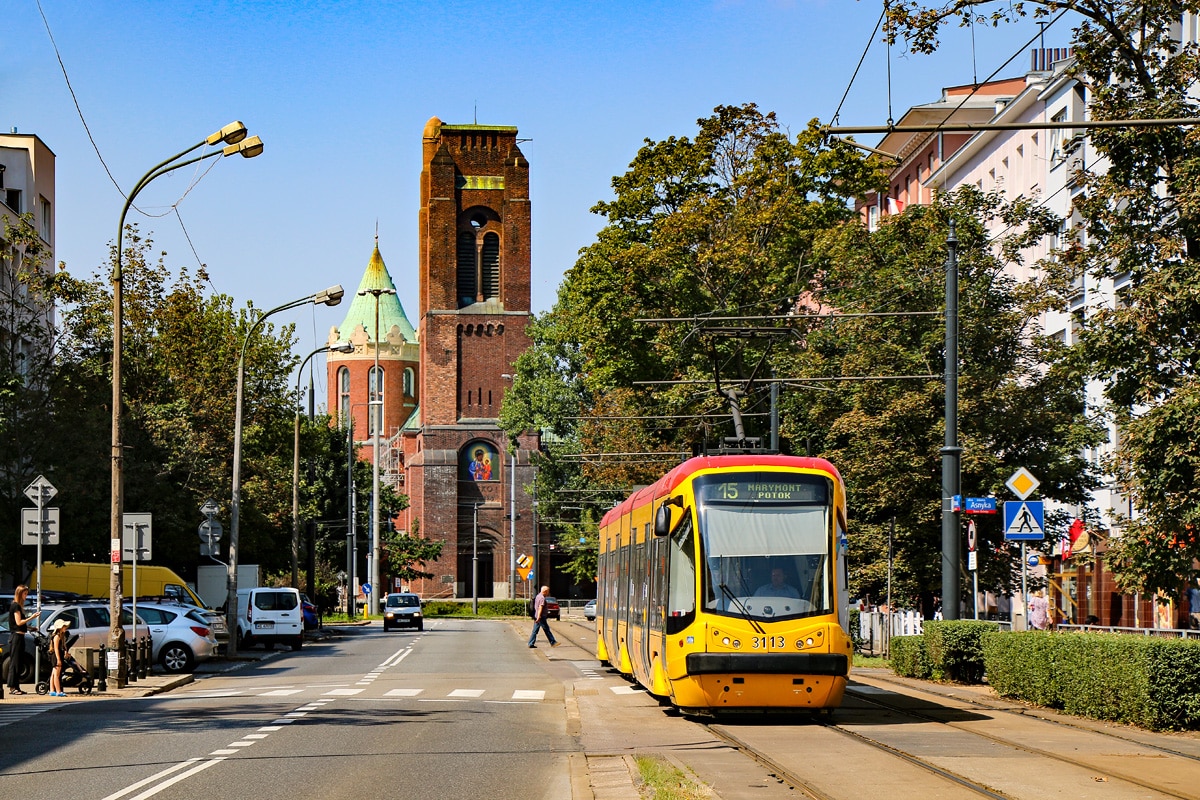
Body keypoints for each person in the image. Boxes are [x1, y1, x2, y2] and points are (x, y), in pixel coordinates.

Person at [6, 585, 41, 696]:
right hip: (16, 637)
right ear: (20, 594)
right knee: (15, 663)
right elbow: (18, 622)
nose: (26, 596)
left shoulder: (19, 606)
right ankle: (12, 687)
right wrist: (32, 617)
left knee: (19, 662)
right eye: (25, 594)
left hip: (20, 636)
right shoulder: (15, 606)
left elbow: (21, 624)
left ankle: (16, 686)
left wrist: (31, 628)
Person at [48, 618, 70, 697]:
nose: (65, 628)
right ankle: (58, 690)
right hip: (56, 656)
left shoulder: (61, 636)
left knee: (53, 674)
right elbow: (56, 648)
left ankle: (52, 690)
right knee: (57, 674)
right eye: (64, 626)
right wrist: (58, 659)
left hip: (57, 655)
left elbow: (63, 647)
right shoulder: (57, 637)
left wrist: (65, 652)